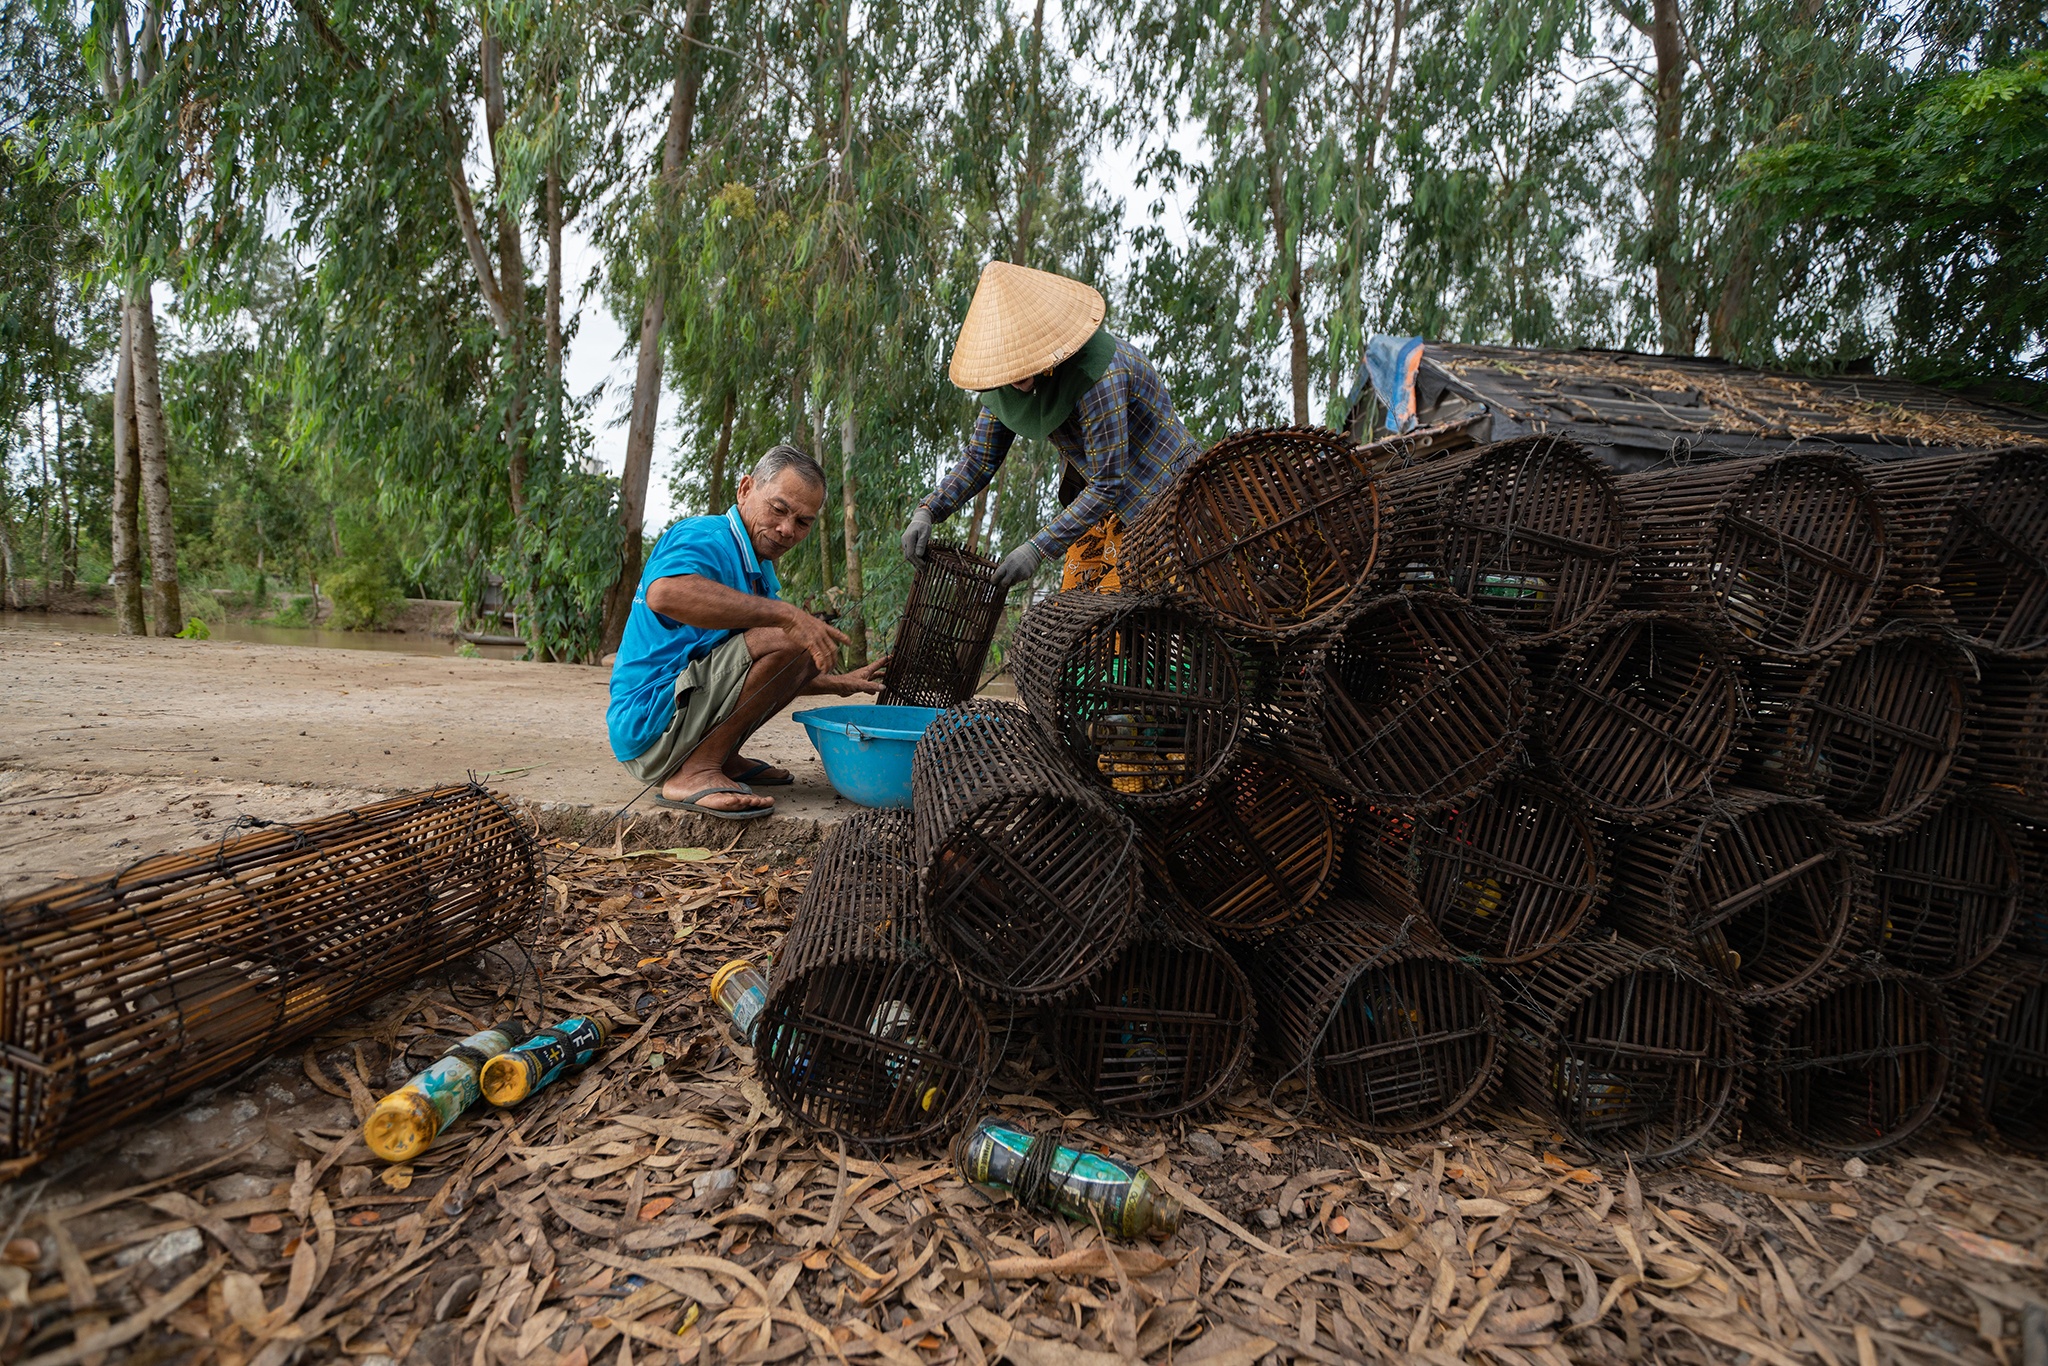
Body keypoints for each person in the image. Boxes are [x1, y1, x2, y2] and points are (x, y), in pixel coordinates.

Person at [607, 445, 884, 820]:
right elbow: (664, 593)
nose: (787, 529)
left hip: (674, 726)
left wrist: (839, 683)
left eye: (803, 522)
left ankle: (720, 756)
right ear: (745, 489)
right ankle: (694, 771)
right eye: (779, 509)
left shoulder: (758, 571)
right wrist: (786, 617)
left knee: (798, 641)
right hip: (650, 727)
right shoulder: (706, 536)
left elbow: (757, 672)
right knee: (792, 634)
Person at [901, 262, 1202, 593]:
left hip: (1163, 499)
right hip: (1100, 510)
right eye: (1005, 365)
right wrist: (928, 510)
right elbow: (979, 459)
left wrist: (1037, 548)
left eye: (1020, 360)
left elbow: (1107, 482)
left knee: (1119, 618)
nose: (1013, 376)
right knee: (1073, 615)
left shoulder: (1099, 374)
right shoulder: (1005, 381)